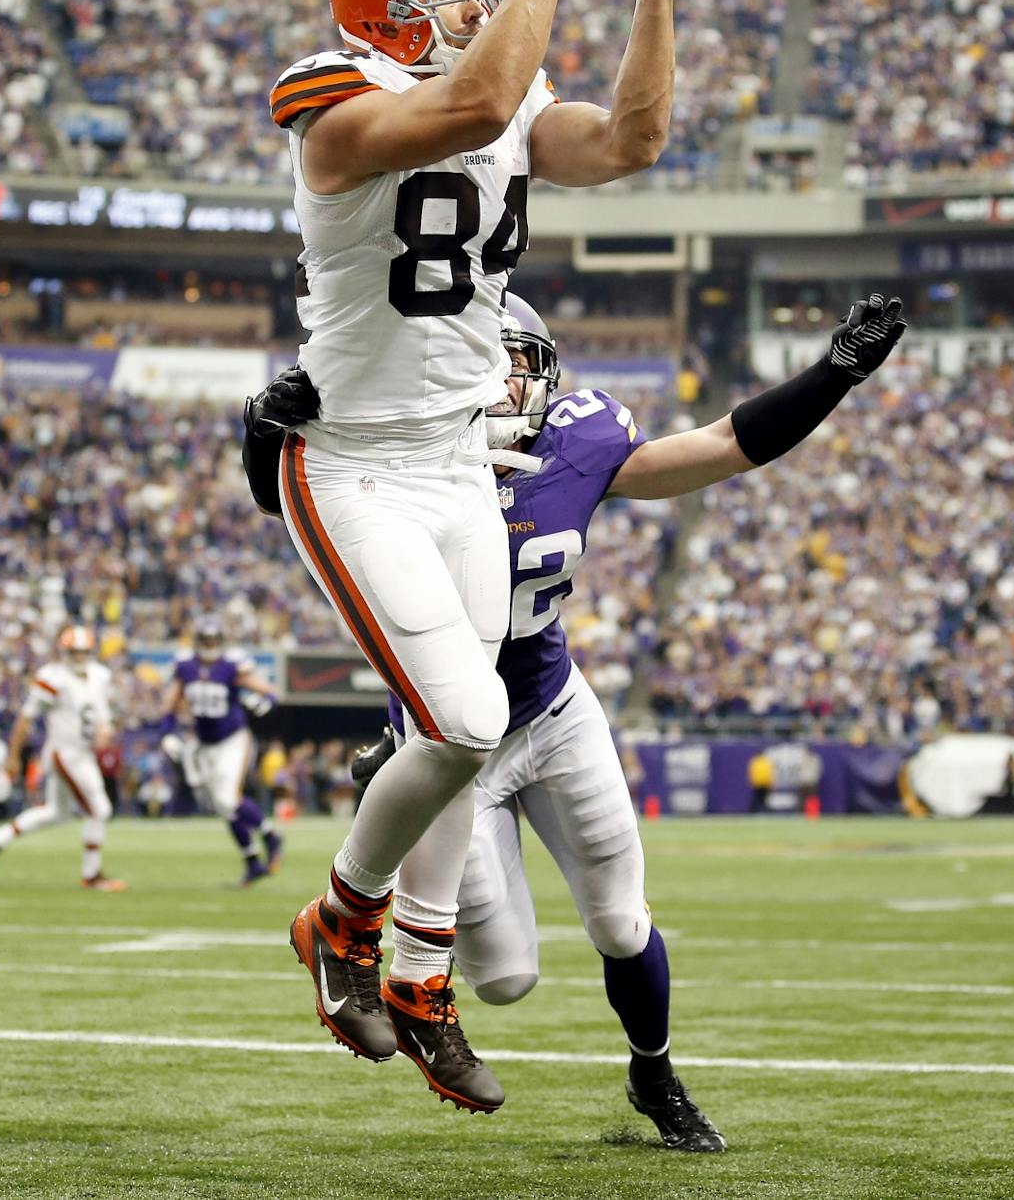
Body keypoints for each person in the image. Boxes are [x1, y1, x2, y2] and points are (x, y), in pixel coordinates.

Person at [247, 0, 719, 1114]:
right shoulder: (332, 99)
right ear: (381, 15)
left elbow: (630, 142)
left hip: (459, 456)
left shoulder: (502, 87)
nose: (471, 3)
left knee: (467, 731)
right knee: (461, 721)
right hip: (353, 463)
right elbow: (466, 111)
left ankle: (419, 978)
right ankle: (341, 922)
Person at [354, 290, 907, 1146]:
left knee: (620, 919)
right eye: (483, 361)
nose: (501, 382)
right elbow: (298, 493)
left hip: (552, 708)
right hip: (455, 744)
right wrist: (265, 427)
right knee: (504, 979)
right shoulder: (401, 463)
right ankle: (392, 788)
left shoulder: (578, 441)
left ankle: (655, 1074)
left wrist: (831, 376)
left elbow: (722, 446)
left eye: (516, 362)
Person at [0, 626, 126, 890]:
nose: (79, 657)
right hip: (66, 753)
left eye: (83, 652)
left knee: (57, 813)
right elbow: (26, 717)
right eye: (74, 652)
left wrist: (106, 730)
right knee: (99, 809)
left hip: (84, 753)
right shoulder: (53, 678)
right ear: (64, 652)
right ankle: (92, 875)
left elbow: (103, 716)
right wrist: (13, 755)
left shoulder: (99, 675)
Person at [163, 615, 283, 885]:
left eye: (213, 640)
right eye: (205, 640)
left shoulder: (230, 666)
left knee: (228, 800)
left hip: (233, 739)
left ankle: (270, 836)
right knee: (222, 805)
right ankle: (253, 861)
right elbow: (170, 704)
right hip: (205, 744)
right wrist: (168, 733)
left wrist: (266, 701)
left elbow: (268, 691)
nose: (209, 645)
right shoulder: (186, 667)